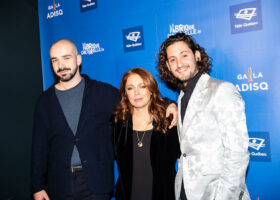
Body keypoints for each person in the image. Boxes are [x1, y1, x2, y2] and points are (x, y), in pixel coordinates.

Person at [31, 39, 178, 200]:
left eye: (66, 58)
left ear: (78, 59)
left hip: (97, 185)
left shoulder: (103, 93)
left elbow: (137, 99)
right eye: (55, 60)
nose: (61, 65)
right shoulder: (44, 101)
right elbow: (39, 146)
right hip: (60, 185)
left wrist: (170, 104)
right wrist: (37, 186)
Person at [157, 33, 250, 200]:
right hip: (186, 192)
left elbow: (237, 153)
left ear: (197, 55)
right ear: (168, 66)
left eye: (184, 55)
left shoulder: (222, 90)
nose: (179, 64)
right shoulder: (181, 97)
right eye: (172, 59)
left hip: (216, 194)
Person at [112, 67, 180, 200]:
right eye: (130, 88)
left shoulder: (168, 121)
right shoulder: (118, 123)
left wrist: (171, 104)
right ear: (125, 94)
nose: (136, 93)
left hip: (164, 195)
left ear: (151, 89)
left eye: (142, 86)